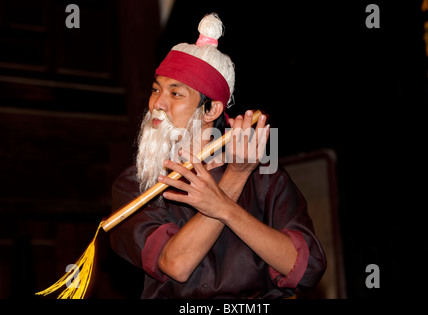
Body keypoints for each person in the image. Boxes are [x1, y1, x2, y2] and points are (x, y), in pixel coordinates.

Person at [109, 13, 326, 299]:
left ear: (211, 110)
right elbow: (176, 264)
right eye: (155, 90)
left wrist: (227, 197)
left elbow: (305, 267)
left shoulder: (263, 176)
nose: (157, 104)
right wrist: (233, 181)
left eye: (176, 94)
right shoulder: (139, 183)